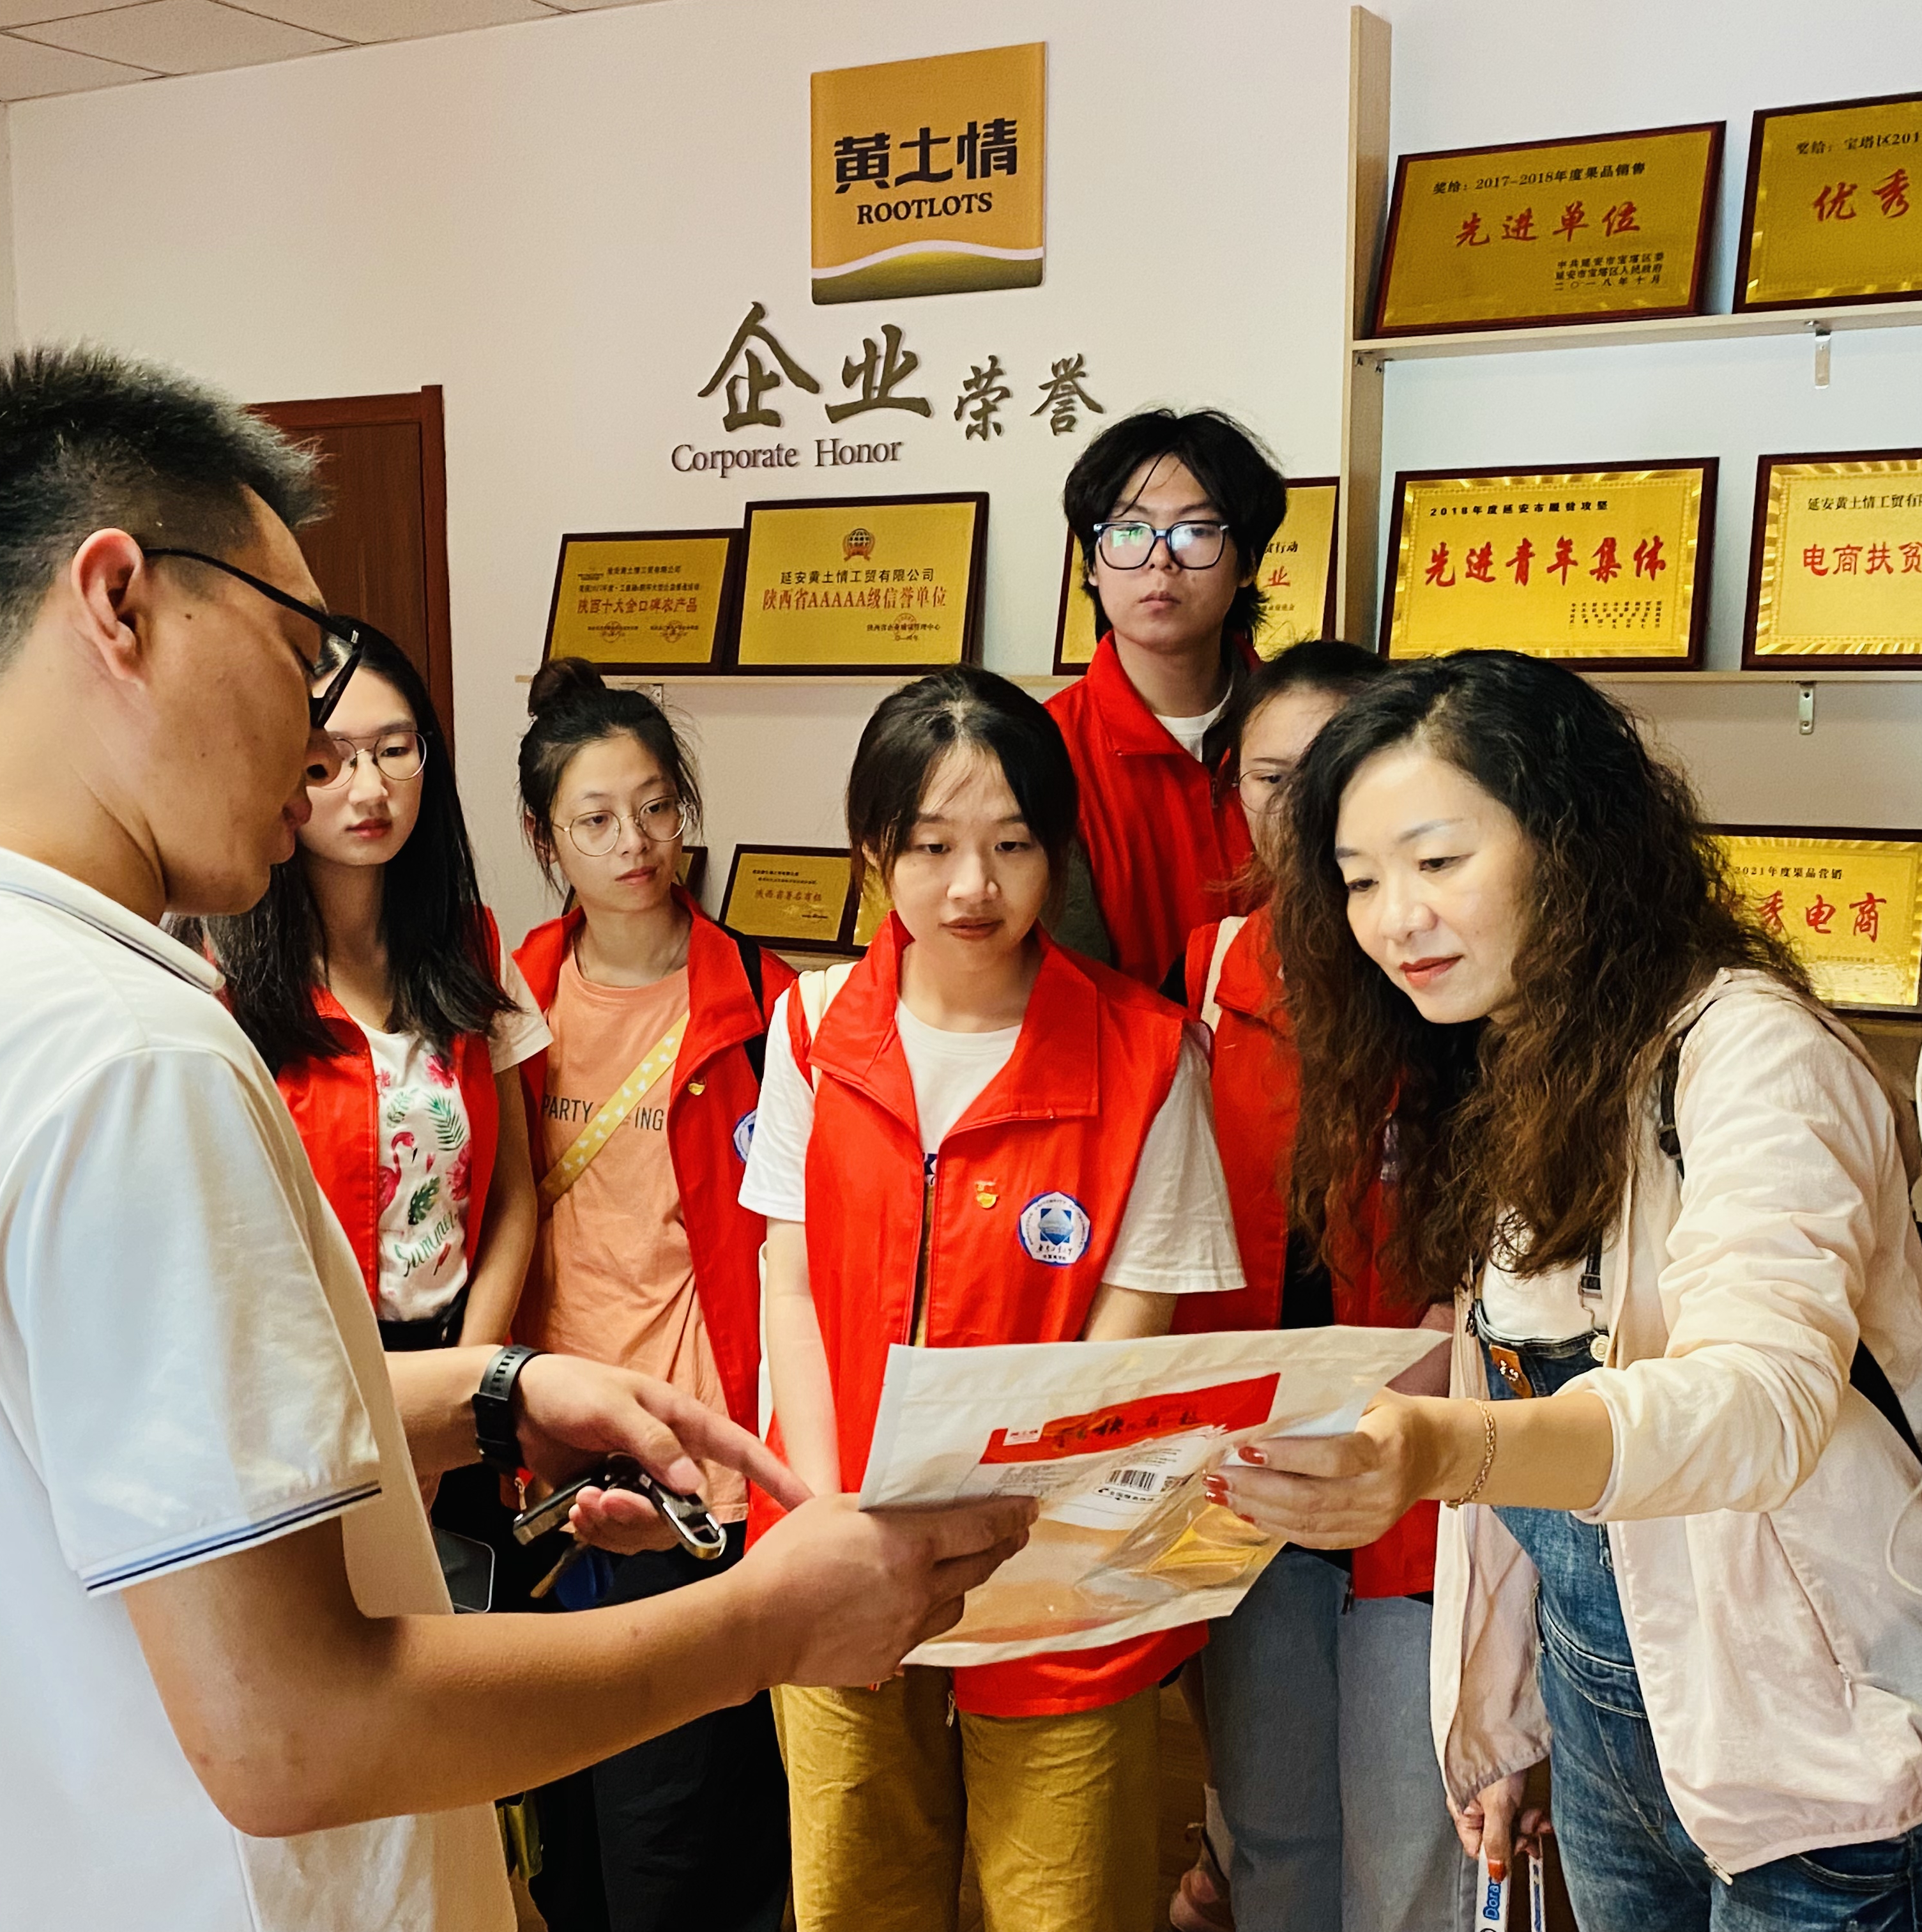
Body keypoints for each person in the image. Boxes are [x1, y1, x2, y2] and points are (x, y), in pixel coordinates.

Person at [0, 343, 1032, 1932]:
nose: (316, 747)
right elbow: (296, 1732)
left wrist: (488, 1396)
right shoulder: (123, 1055)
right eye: (299, 657)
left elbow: (83, 1463)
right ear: (118, 601)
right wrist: (767, 1624)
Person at [1221, 650, 1922, 1931]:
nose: (1395, 919)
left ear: (1569, 840)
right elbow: (1527, 1448)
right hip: (1615, 1746)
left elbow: (1758, 1401)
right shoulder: (1512, 1059)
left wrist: (1444, 1445)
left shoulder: (1752, 1052)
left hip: (1832, 1762)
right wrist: (1505, 1720)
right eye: (1360, 879)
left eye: (1438, 861)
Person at [746, 666, 1246, 1932]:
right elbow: (788, 1275)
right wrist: (827, 1508)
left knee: (1062, 1899)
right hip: (835, 1529)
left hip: (1051, 1555)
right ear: (874, 851)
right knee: (853, 1891)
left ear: (1057, 853)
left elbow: (1130, 1325)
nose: (972, 887)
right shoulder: (808, 1026)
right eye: (931, 846)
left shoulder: (1147, 1051)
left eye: (1012, 845)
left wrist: (1016, 1517)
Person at [1163, 641, 1465, 1932]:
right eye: (1272, 776)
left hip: (1421, 1469)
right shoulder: (1207, 971)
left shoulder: (1449, 972)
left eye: (1336, 773)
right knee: (1274, 1829)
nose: (1299, 810)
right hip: (1249, 1466)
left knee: (1411, 1845)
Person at [505, 658, 796, 1932]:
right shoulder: (506, 994)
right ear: (545, 839)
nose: (633, 842)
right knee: (562, 1828)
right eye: (595, 819)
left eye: (656, 807)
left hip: (694, 1463)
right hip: (543, 1455)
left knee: (680, 1829)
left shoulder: (766, 1004)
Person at [202, 629, 542, 1356]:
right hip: (309, 1373)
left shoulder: (473, 946)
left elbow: (514, 1193)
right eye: (325, 762)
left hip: (463, 1358)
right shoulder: (218, 979)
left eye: (394, 750)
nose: (370, 790)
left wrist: (467, 1378)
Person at [1046, 408, 1288, 986]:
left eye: (1196, 531)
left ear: (1248, 563)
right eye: (1129, 531)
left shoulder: (1315, 732)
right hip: (1116, 1044)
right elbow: (1059, 981)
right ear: (1092, 565)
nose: (1161, 559)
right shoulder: (1042, 750)